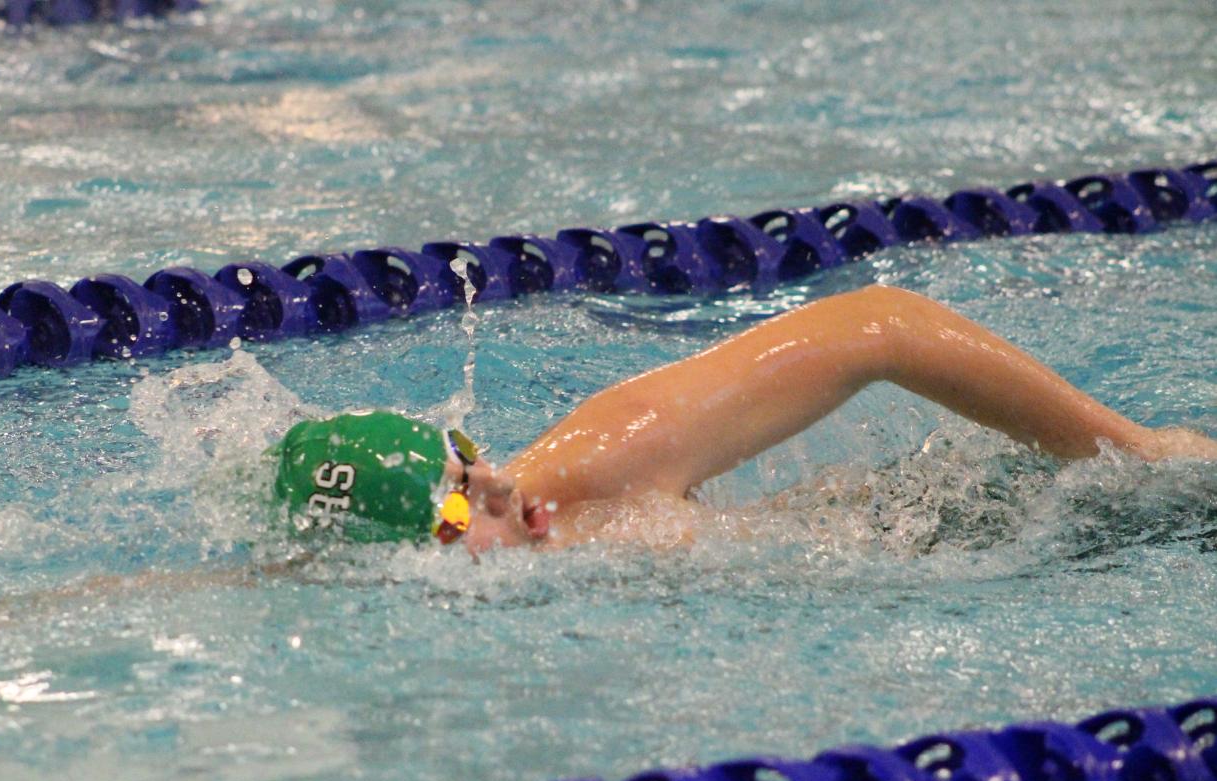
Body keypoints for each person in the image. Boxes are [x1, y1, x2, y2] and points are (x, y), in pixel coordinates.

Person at [271, 285, 1217, 554]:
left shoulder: (604, 462)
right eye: (453, 509)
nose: (500, 489)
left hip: (1021, 531)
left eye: (468, 461)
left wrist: (1131, 450)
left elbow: (877, 325)